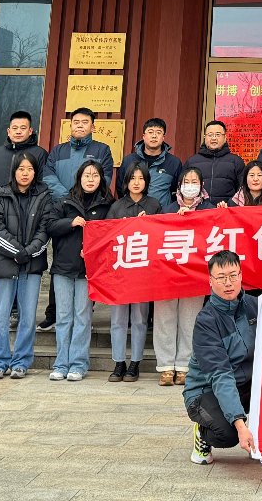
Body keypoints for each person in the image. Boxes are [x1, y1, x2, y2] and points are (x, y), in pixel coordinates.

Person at [185, 250, 262, 468]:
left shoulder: (255, 305)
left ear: (241, 276)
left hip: (245, 383)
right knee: (228, 434)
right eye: (221, 278)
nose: (228, 283)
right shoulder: (206, 321)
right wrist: (241, 425)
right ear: (210, 281)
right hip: (206, 390)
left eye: (233, 276)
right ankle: (203, 434)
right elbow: (220, 375)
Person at [40, 107, 115, 330]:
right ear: (70, 125)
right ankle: (53, 312)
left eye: (85, 122)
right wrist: (71, 198)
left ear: (93, 126)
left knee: (89, 265)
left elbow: (104, 178)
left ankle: (86, 314)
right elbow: (48, 177)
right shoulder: (58, 151)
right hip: (64, 211)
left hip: (92, 213)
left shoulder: (102, 150)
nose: (80, 126)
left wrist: (80, 198)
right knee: (60, 265)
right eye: (76, 122)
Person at [0, 149, 54, 380]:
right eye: (21, 169)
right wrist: (17, 252)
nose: (25, 173)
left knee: (27, 317)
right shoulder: (0, 195)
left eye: (30, 169)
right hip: (4, 264)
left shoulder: (44, 196)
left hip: (31, 266)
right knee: (0, 315)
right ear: (14, 171)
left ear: (36, 172)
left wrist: (28, 252)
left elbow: (46, 229)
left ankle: (21, 362)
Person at [0, 110, 45, 331]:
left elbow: (43, 186)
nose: (18, 131)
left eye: (23, 128)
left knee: (22, 263)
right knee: (0, 264)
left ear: (30, 131)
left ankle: (15, 310)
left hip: (27, 219)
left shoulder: (39, 154)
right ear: (8, 131)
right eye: (15, 128)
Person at [46, 160, 112, 382]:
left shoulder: (107, 205)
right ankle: (60, 364)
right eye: (86, 175)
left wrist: (94, 252)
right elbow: (50, 226)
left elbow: (111, 236)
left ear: (101, 179)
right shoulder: (65, 201)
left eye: (95, 175)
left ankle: (78, 364)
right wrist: (70, 223)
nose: (90, 179)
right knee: (63, 317)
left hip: (88, 270)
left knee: (83, 317)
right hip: (63, 268)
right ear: (79, 178)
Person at [156, 166, 215, 387]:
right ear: (179, 186)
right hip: (168, 274)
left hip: (195, 274)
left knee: (190, 320)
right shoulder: (167, 209)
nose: (190, 186)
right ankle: (165, 366)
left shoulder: (209, 209)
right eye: (186, 182)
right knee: (164, 318)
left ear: (202, 186)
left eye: (195, 182)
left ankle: (184, 366)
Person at [105, 164, 160, 382]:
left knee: (139, 318)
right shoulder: (117, 206)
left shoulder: (154, 205)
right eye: (132, 178)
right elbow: (106, 236)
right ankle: (118, 362)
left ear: (147, 182)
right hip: (120, 272)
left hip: (143, 272)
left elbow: (161, 236)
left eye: (141, 178)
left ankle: (135, 362)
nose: (136, 183)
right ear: (126, 182)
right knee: (118, 319)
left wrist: (148, 224)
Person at [116, 117, 182, 208]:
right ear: (143, 136)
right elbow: (121, 188)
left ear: (163, 137)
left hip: (161, 213)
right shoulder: (129, 160)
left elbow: (177, 191)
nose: (154, 136)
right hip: (132, 213)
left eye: (158, 132)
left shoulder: (174, 163)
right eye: (150, 132)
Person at [187, 119, 247, 203]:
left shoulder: (236, 162)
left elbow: (242, 190)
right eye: (210, 135)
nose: (214, 138)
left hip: (226, 209)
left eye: (218, 135)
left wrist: (231, 205)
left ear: (225, 138)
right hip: (198, 209)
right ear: (205, 137)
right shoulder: (192, 162)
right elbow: (182, 188)